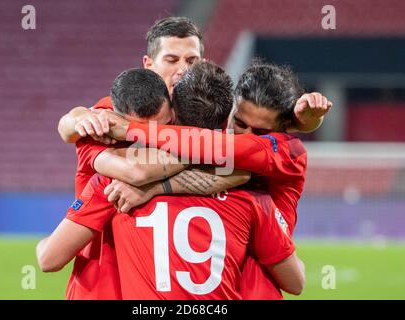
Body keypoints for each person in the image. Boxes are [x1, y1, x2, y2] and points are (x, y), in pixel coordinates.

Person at [36, 62, 305, 298]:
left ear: (173, 112)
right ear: (226, 119)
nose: (246, 136)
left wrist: (82, 119)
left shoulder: (113, 183)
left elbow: (49, 259)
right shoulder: (250, 190)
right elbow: (296, 282)